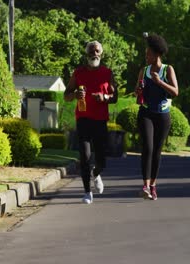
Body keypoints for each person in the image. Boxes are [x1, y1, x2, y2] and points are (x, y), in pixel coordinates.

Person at [64, 40, 118, 204]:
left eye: (97, 51)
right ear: (86, 54)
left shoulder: (107, 73)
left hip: (100, 120)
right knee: (85, 156)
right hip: (83, 119)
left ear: (101, 54)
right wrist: (75, 95)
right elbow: (66, 95)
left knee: (101, 159)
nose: (94, 54)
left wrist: (105, 97)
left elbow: (115, 97)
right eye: (91, 51)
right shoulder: (78, 73)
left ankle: (97, 173)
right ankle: (87, 192)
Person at [135, 34, 179, 201]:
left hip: (163, 115)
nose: (146, 57)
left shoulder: (168, 69)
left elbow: (175, 92)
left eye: (148, 54)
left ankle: (153, 185)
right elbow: (136, 92)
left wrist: (159, 82)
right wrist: (139, 90)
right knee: (147, 147)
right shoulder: (143, 70)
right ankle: (145, 186)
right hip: (146, 112)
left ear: (156, 54)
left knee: (157, 152)